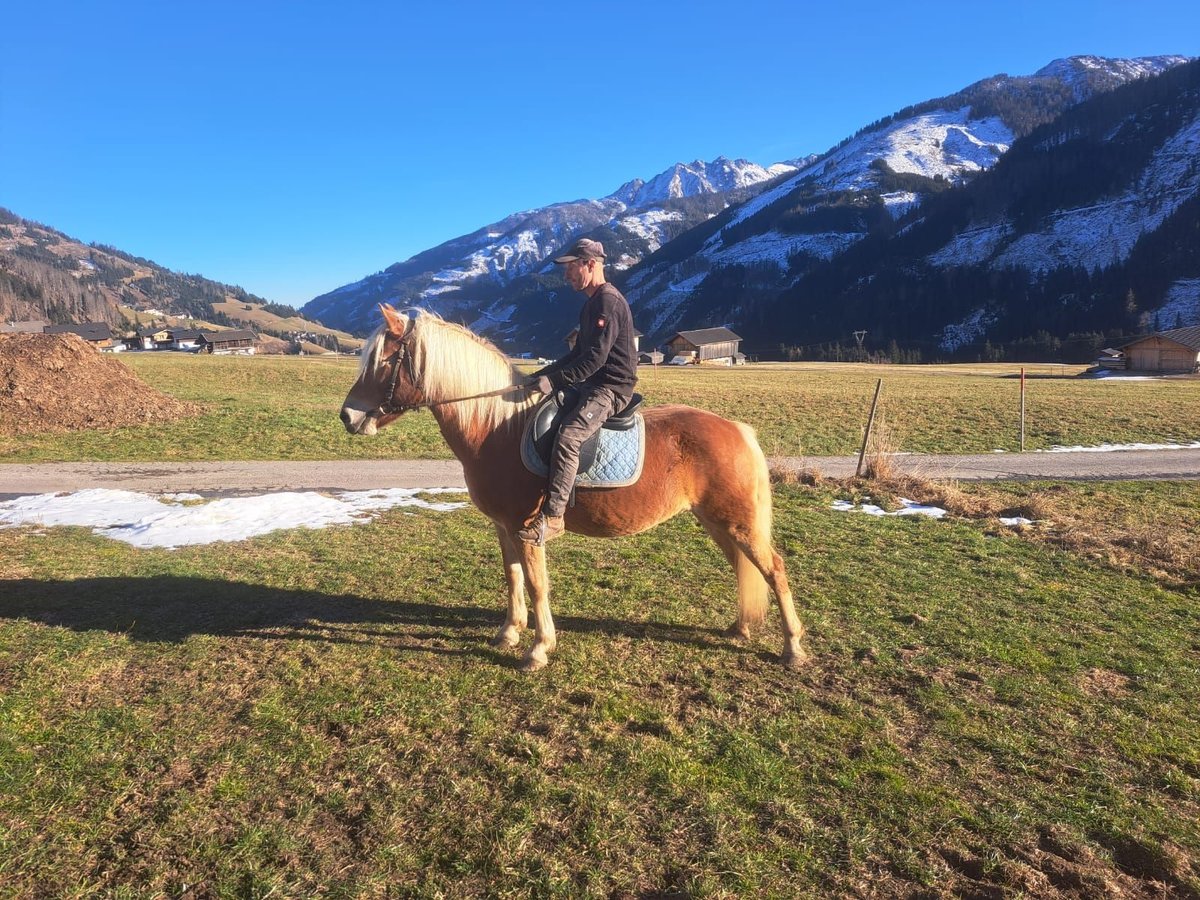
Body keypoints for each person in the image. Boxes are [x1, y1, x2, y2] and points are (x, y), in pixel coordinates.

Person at [517, 238, 638, 545]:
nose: (566, 275)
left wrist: (555, 381)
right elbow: (576, 355)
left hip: (611, 388)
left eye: (572, 268)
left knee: (570, 435)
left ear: (591, 265)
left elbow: (595, 359)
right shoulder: (591, 304)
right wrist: (539, 377)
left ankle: (554, 518)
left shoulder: (608, 301)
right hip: (592, 383)